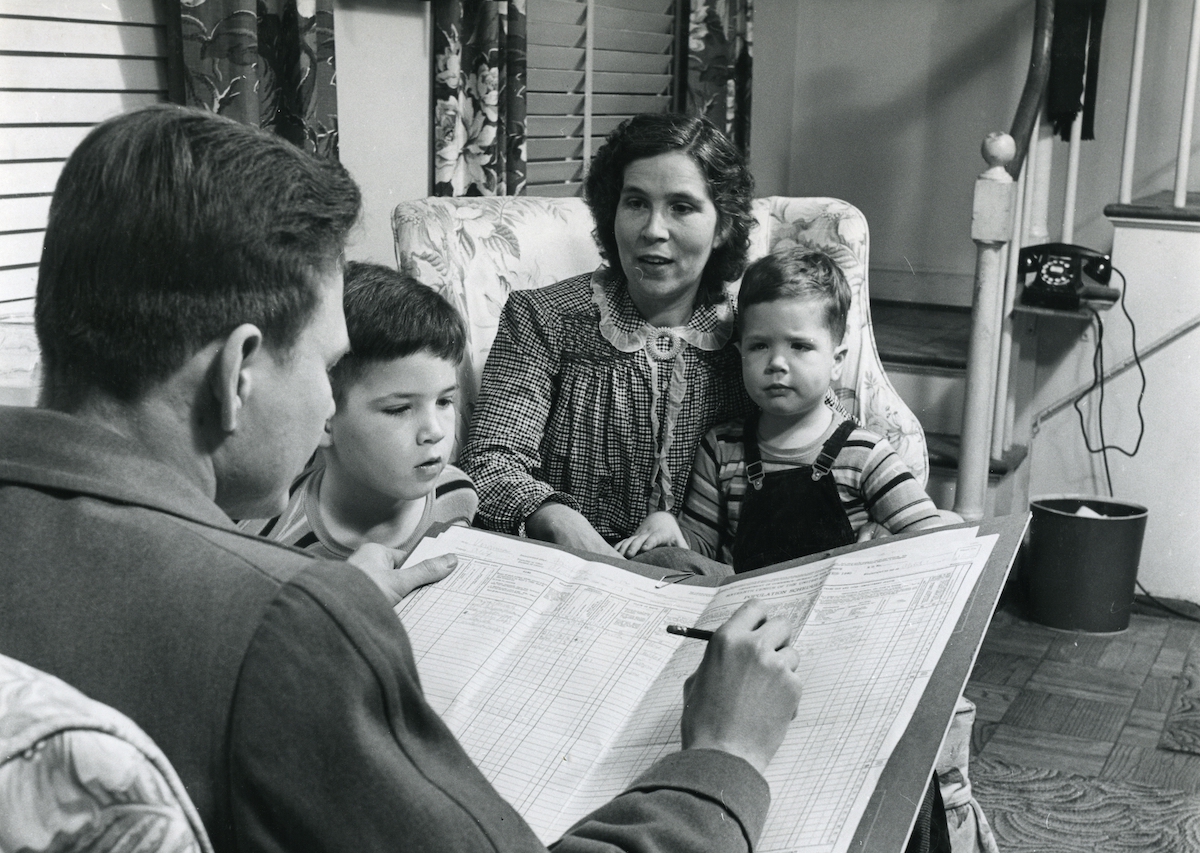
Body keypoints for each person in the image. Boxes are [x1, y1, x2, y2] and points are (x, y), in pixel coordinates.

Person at [0, 105, 803, 852]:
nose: (328, 407)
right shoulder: (287, 626)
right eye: (329, 363)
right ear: (238, 372)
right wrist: (725, 758)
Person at [461, 113, 757, 559]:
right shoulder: (542, 318)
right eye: (636, 202)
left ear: (724, 226)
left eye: (681, 206)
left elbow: (827, 435)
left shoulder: (756, 336)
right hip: (572, 573)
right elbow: (490, 463)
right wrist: (558, 520)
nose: (653, 230)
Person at [617, 248, 945, 571]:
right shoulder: (721, 448)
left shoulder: (866, 454)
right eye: (759, 346)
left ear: (836, 362)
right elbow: (701, 550)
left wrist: (885, 541)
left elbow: (929, 536)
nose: (776, 363)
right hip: (743, 612)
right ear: (740, 352)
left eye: (799, 346)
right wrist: (667, 527)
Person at [240, 261, 477, 562]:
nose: (435, 431)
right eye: (400, 408)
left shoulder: (457, 493)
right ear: (325, 419)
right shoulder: (267, 539)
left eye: (444, 402)